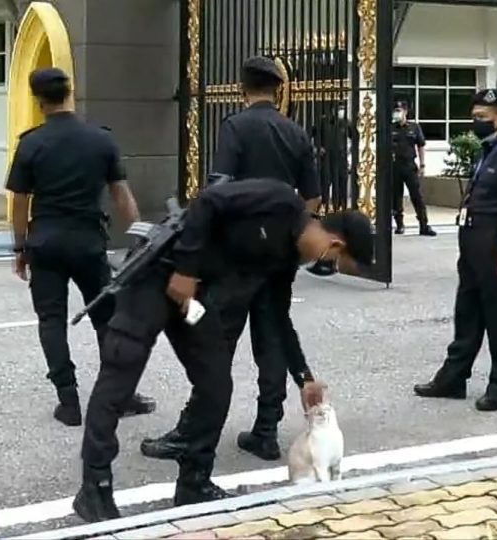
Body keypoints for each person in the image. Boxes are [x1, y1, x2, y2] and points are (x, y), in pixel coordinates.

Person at [73, 178, 374, 522]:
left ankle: (194, 482)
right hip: (158, 274)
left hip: (194, 299)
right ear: (335, 242)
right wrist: (185, 270)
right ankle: (94, 487)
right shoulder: (278, 200)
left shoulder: (285, 260)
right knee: (121, 371)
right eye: (334, 261)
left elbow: (277, 318)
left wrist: (304, 377)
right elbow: (208, 203)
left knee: (216, 383)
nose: (326, 267)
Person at [141, 56, 324, 463]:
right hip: (278, 256)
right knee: (272, 336)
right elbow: (311, 197)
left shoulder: (236, 127)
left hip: (235, 257)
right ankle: (266, 430)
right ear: (278, 90)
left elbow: (218, 189)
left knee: (216, 341)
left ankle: (193, 428)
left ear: (242, 89)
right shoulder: (295, 132)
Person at [6, 67, 154, 427]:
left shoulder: (31, 143)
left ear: (38, 100)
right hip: (88, 243)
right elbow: (121, 193)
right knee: (108, 318)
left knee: (51, 320)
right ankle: (120, 395)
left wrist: (20, 247)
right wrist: (139, 239)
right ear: (70, 93)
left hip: (46, 244)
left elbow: (20, 201)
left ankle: (68, 401)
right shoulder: (100, 140)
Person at [413, 89, 497, 412]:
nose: (476, 123)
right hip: (473, 247)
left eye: (483, 118)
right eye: (474, 117)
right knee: (466, 316)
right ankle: (453, 379)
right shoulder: (488, 150)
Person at [392, 101, 436, 236]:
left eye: (399, 110)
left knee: (417, 196)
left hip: (409, 166)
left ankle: (424, 225)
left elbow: (421, 146)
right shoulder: (390, 128)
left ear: (405, 112)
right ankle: (399, 225)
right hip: (394, 166)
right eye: (395, 110)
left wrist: (422, 165)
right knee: (396, 198)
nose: (397, 113)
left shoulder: (414, 127)